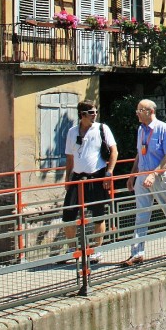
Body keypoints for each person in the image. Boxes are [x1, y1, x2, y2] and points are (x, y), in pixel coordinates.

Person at [121, 99, 166, 266]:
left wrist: (154, 174)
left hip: (159, 177)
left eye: (140, 110)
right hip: (142, 176)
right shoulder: (141, 129)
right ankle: (137, 253)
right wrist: (132, 176)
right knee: (141, 214)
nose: (137, 113)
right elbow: (139, 154)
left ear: (150, 111)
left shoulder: (163, 128)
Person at [62, 100, 117, 264]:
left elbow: (114, 151)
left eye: (95, 112)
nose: (95, 115)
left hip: (96, 176)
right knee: (68, 214)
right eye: (91, 112)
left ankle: (96, 250)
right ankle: (72, 249)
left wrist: (109, 173)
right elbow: (70, 157)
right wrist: (67, 178)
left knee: (98, 214)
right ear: (82, 114)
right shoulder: (72, 132)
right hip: (77, 178)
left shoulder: (102, 128)